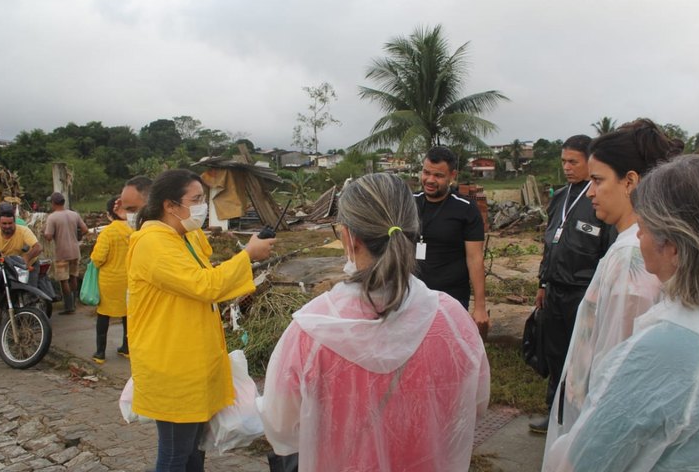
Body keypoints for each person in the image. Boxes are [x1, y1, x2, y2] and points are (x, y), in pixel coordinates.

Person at [258, 173, 490, 472]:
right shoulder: (453, 319)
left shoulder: (312, 331)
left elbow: (282, 431)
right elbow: (476, 405)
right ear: (412, 229)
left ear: (348, 237)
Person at [545, 155, 699, 471]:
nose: (637, 235)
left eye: (644, 224)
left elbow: (583, 460)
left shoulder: (661, 351)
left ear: (674, 246)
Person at [542, 119, 682, 465]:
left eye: (598, 180)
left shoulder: (632, 257)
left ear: (630, 181)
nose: (590, 193)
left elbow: (617, 373)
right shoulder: (637, 246)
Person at [126, 169, 274, 471]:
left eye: (203, 199)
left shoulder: (180, 237)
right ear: (170, 205)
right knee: (175, 455)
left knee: (193, 452)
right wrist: (247, 255)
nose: (202, 207)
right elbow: (206, 286)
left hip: (191, 364)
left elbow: (203, 269)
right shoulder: (153, 243)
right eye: (195, 200)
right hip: (171, 366)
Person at [530, 135, 615, 433]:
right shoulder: (559, 197)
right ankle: (554, 411)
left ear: (589, 162)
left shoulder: (598, 198)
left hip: (584, 291)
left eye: (573, 162)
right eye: (563, 161)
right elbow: (548, 243)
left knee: (580, 356)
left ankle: (579, 418)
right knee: (555, 354)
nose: (566, 167)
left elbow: (607, 249)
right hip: (555, 289)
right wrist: (542, 282)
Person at [413, 146, 490, 335]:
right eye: (426, 172)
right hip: (413, 295)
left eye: (438, 175)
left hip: (451, 297)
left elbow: (475, 259)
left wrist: (480, 306)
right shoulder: (409, 203)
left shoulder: (466, 209)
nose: (430, 180)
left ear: (452, 176)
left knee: (449, 351)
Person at [89, 196, 132, 364]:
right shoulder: (134, 230)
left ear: (109, 214)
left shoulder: (108, 232)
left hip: (109, 281)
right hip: (129, 280)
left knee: (104, 316)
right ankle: (127, 348)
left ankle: (100, 353)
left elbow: (98, 258)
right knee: (127, 315)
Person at [44, 192, 88, 315]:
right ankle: (74, 302)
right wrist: (77, 236)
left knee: (64, 280)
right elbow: (85, 229)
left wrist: (44, 232)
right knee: (73, 276)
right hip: (75, 250)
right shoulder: (74, 214)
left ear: (53, 203)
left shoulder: (52, 217)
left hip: (61, 252)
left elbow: (48, 236)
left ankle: (68, 306)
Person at [0, 207, 42, 276]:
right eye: (4, 223)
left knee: (28, 286)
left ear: (14, 222)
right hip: (8, 266)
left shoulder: (24, 231)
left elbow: (38, 247)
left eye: (10, 223)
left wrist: (25, 259)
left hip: (28, 265)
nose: (7, 226)